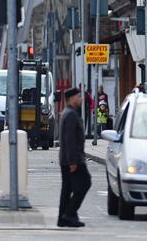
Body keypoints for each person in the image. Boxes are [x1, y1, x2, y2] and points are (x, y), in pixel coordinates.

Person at [58, 87, 91, 228]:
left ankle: (62, 218)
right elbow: (70, 140)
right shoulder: (71, 115)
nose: (81, 99)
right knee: (84, 184)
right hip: (74, 159)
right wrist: (73, 162)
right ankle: (70, 214)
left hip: (66, 159)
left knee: (67, 189)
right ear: (71, 99)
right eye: (78, 97)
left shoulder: (68, 113)